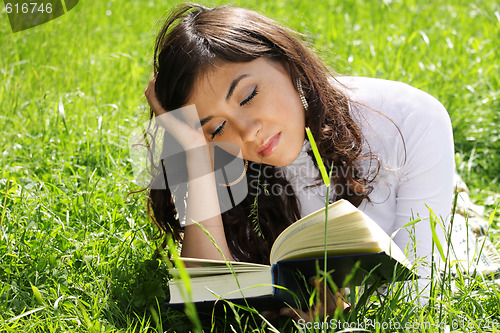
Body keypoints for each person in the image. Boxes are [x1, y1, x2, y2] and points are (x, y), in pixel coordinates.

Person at [142, 3, 455, 321]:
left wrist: (344, 317)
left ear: (285, 60)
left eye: (249, 95)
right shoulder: (223, 159)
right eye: (218, 127)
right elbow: (208, 294)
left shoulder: (410, 119)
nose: (249, 132)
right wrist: (195, 157)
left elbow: (419, 295)